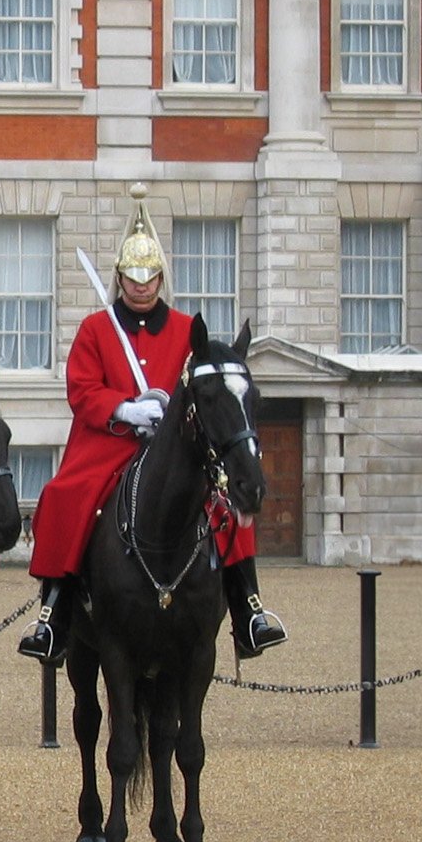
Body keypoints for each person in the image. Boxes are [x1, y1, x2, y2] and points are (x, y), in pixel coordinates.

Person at [18, 184, 288, 666]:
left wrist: (171, 413)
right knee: (66, 495)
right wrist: (125, 408)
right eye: (132, 278)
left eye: (149, 278)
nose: (141, 287)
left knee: (222, 502)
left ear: (161, 278)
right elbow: (80, 389)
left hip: (175, 445)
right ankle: (55, 611)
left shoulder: (188, 330)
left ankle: (249, 606)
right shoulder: (96, 330)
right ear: (119, 278)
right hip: (111, 442)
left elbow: (202, 393)